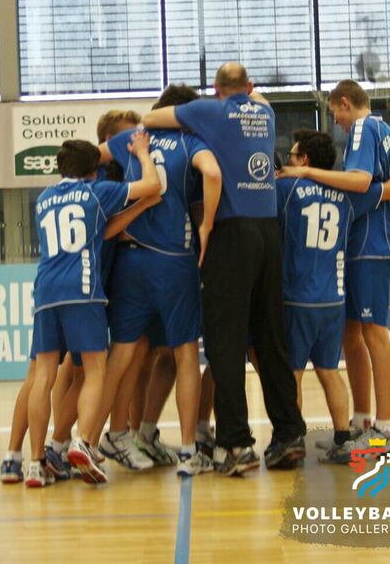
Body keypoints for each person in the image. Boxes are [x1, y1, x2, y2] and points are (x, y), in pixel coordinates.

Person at [142, 62, 307, 476]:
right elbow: (254, 97)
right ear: (249, 86)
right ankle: (289, 435)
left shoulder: (209, 111)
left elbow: (151, 118)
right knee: (270, 339)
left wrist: (199, 114)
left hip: (231, 233)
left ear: (216, 89)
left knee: (225, 343)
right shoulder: (265, 111)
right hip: (268, 234)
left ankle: (235, 444)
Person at [93, 83, 222, 477]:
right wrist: (207, 226)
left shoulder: (132, 138)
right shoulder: (192, 143)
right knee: (184, 355)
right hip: (174, 261)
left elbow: (90, 159)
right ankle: (188, 450)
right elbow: (212, 172)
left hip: (130, 261)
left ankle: (90, 439)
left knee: (121, 355)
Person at [279, 79, 390, 455]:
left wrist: (307, 173)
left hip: (371, 243)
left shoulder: (363, 128)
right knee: (351, 336)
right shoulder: (384, 129)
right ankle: (360, 422)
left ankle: (384, 429)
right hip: (361, 242)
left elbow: (361, 180)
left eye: (335, 111)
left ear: (346, 102)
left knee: (374, 332)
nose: (335, 121)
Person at [25, 135, 160, 487]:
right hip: (82, 290)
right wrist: (143, 153)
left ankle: (35, 462)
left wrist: (138, 209)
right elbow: (153, 184)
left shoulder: (44, 199)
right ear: (93, 171)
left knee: (43, 376)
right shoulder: (96, 192)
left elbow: (100, 231)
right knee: (95, 369)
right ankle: (83, 440)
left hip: (45, 291)